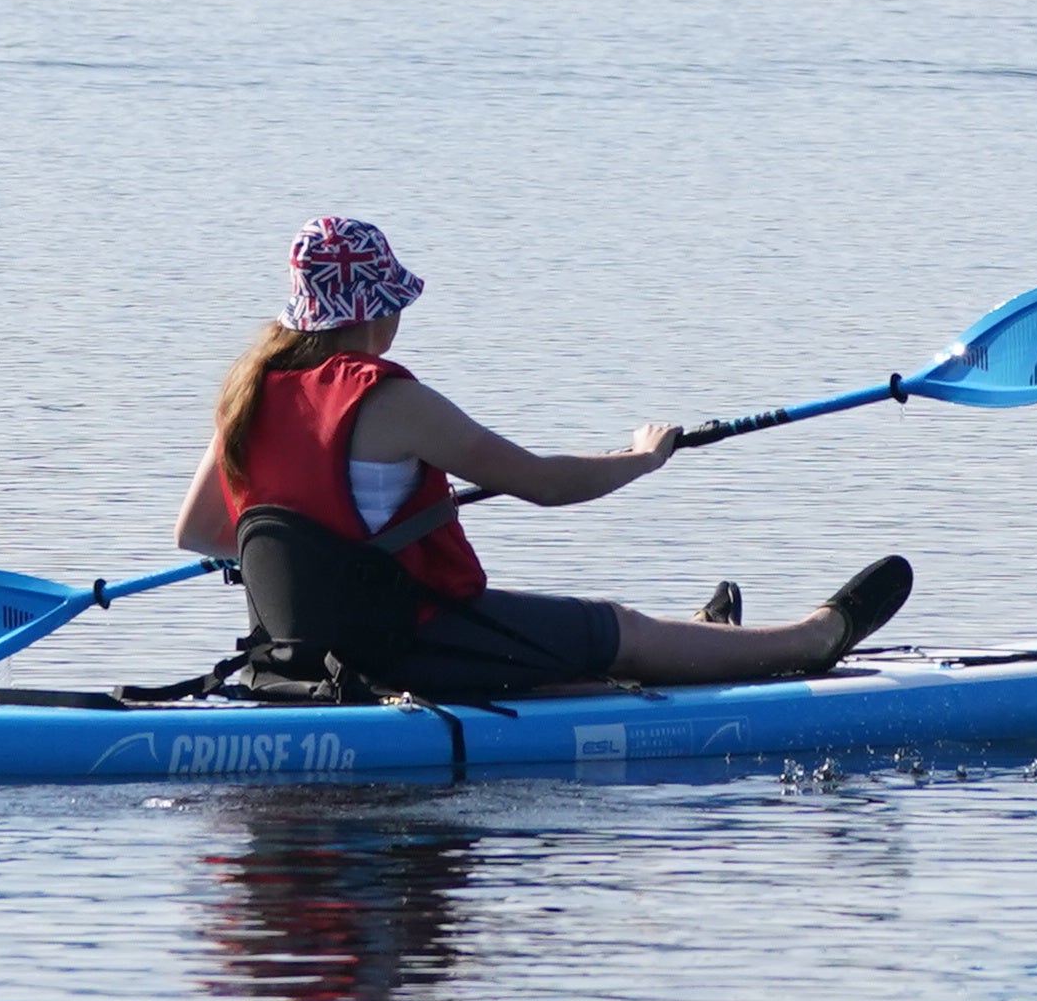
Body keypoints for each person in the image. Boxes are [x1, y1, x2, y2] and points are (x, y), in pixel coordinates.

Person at [173, 218, 907, 698]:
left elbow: (205, 533)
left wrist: (328, 549)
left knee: (587, 646)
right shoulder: (390, 401)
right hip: (408, 650)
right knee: (621, 630)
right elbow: (546, 485)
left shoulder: (247, 395)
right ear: (376, 312)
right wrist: (643, 459)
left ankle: (707, 645)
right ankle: (813, 640)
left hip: (294, 660)